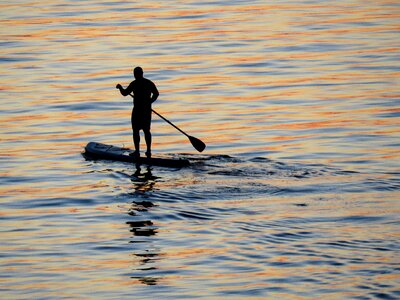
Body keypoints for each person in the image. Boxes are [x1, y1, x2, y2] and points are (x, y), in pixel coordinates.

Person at [116, 67, 159, 159]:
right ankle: (148, 151)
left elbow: (124, 93)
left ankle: (138, 151)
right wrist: (150, 101)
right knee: (146, 131)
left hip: (138, 111)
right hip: (146, 111)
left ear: (136, 74)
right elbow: (156, 94)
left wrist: (120, 88)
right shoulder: (148, 83)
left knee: (137, 131)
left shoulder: (135, 83)